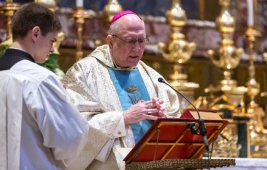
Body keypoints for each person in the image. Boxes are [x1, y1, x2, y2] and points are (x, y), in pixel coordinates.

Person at [62, 10, 181, 170]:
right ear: (111, 41)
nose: (137, 48)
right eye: (130, 40)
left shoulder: (153, 77)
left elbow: (176, 120)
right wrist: (122, 118)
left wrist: (162, 119)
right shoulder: (85, 72)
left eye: (142, 40)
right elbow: (72, 125)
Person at [0, 2, 89, 170]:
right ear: (36, 33)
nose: (52, 49)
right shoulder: (40, 79)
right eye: (52, 40)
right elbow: (71, 139)